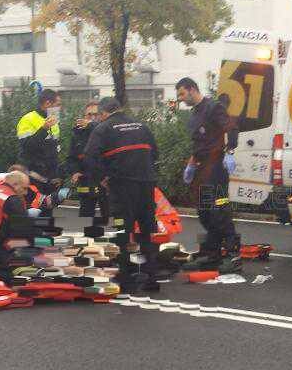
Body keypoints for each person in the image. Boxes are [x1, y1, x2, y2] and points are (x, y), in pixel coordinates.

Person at [83, 97, 161, 293]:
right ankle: (151, 278)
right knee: (145, 231)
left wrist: (101, 178)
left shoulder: (103, 129)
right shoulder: (142, 126)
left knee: (122, 231)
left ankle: (125, 279)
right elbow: (155, 153)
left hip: (121, 186)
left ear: (103, 114)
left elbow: (90, 157)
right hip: (146, 184)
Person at [175, 77, 241, 272]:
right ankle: (212, 254)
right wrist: (191, 166)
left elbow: (232, 128)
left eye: (182, 94)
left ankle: (233, 255)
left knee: (219, 211)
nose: (180, 98)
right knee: (205, 213)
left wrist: (229, 153)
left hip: (217, 167)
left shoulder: (213, 107)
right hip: (202, 168)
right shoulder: (195, 114)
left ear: (192, 89)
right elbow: (199, 144)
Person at [66, 100, 109, 218]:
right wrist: (74, 171)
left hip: (104, 182)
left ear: (101, 115)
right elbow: (71, 158)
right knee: (85, 218)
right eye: (89, 115)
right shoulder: (78, 134)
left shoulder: (108, 131)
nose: (92, 118)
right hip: (86, 181)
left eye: (95, 114)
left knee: (109, 218)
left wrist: (91, 126)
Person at [16, 88, 62, 198]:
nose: (60, 108)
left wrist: (57, 175)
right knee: (33, 211)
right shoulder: (28, 119)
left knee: (47, 212)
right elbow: (27, 147)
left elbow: (55, 152)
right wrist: (44, 129)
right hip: (32, 178)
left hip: (49, 180)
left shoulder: (54, 122)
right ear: (47, 103)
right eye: (58, 104)